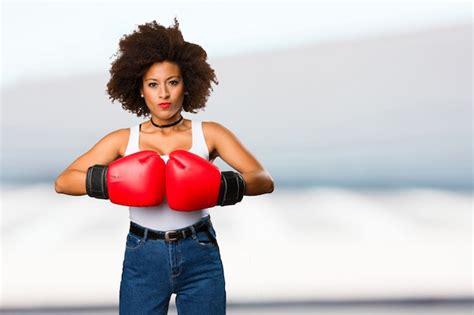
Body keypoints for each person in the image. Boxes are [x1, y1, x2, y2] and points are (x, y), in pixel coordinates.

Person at [55, 18, 274, 315]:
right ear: (140, 90)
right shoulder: (124, 139)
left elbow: (263, 179)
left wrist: (220, 187)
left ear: (187, 85)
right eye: (153, 84)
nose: (164, 94)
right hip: (143, 253)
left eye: (172, 82)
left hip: (199, 250)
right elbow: (64, 181)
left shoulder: (209, 133)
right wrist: (113, 181)